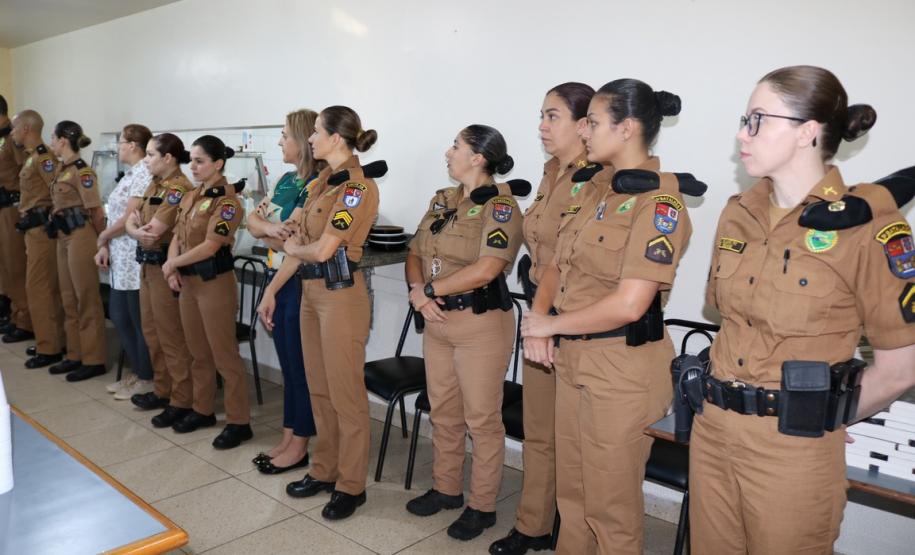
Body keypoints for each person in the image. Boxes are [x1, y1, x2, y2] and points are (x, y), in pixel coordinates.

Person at [691, 65, 915, 554]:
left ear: (807, 132)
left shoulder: (869, 227)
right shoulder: (738, 212)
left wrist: (828, 414)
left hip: (792, 448)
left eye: (757, 120)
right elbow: (724, 314)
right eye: (743, 119)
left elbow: (900, 369)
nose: (741, 134)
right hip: (714, 432)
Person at [521, 79, 689, 554]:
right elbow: (555, 265)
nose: (586, 132)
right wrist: (538, 320)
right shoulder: (593, 190)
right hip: (575, 359)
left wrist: (549, 325)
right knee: (573, 498)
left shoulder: (661, 204)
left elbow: (631, 303)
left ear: (628, 128)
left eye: (593, 123)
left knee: (610, 509)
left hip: (622, 370)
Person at [259, 105, 380, 520]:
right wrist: (273, 290)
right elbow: (295, 239)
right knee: (319, 389)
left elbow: (324, 248)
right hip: (309, 291)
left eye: (316, 132)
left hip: (340, 296)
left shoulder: (356, 190)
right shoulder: (320, 185)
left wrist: (290, 246)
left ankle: (351, 485)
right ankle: (324, 469)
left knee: (346, 395)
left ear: (337, 139)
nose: (310, 138)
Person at [404, 124, 524, 541]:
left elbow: (489, 267)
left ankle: (483, 506)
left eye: (456, 146)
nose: (448, 151)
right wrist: (419, 291)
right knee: (444, 412)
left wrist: (429, 292)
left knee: (482, 419)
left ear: (478, 157)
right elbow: (415, 252)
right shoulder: (443, 200)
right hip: (437, 321)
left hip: (480, 325)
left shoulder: (502, 206)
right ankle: (446, 488)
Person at [490, 82, 594, 555]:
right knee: (539, 430)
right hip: (540, 315)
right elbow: (538, 248)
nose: (542, 126)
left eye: (552, 116)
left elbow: (574, 260)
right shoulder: (552, 173)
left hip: (574, 324)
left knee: (575, 445)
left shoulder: (602, 179)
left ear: (584, 123)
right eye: (542, 115)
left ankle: (570, 531)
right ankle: (533, 523)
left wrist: (547, 315)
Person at [162, 135, 252, 449]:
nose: (194, 166)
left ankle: (239, 422)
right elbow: (176, 233)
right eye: (192, 160)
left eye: (200, 161)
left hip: (214, 285)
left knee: (224, 356)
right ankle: (203, 410)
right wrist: (173, 265)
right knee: (197, 352)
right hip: (188, 283)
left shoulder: (227, 203)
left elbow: (211, 245)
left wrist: (172, 263)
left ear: (218, 164)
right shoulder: (192, 195)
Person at [246, 109, 321, 474]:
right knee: (289, 368)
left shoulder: (317, 185)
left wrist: (270, 291)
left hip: (296, 283)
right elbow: (253, 221)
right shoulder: (286, 181)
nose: (279, 142)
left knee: (300, 369)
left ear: (305, 140)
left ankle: (301, 444)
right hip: (278, 278)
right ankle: (289, 435)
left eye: (284, 135)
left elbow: (296, 240)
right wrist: (268, 228)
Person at [125, 133, 195, 426]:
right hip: (147, 266)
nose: (147, 159)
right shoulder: (155, 184)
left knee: (170, 336)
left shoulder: (179, 188)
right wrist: (134, 230)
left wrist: (138, 230)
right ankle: (162, 389)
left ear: (168, 158)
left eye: (152, 155)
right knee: (152, 332)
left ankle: (181, 399)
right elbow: (132, 218)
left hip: (165, 268)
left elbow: (153, 229)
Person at [96, 124, 155, 400]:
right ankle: (139, 371)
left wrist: (103, 236)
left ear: (133, 145)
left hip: (133, 257)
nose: (118, 147)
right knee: (120, 316)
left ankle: (147, 377)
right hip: (120, 257)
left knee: (135, 318)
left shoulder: (143, 172)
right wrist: (106, 242)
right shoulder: (132, 173)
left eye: (121, 142)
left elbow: (130, 216)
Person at [47, 120, 108, 382]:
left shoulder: (82, 172)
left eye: (53, 137)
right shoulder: (62, 169)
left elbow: (95, 210)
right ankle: (74, 354)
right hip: (63, 235)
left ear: (62, 140)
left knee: (86, 298)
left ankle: (94, 359)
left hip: (82, 235)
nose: (51, 142)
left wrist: (100, 241)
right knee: (67, 296)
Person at [9, 109, 66, 368]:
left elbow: (59, 190)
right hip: (32, 230)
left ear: (26, 129)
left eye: (14, 128)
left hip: (42, 230)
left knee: (40, 288)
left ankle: (50, 347)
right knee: (40, 288)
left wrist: (49, 218)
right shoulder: (32, 157)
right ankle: (49, 339)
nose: (11, 133)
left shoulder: (44, 157)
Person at [0, 94, 33, 344]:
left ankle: (25, 319)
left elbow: (26, 172)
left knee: (15, 264)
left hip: (12, 207)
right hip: (2, 208)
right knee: (4, 267)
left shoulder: (13, 138)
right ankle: (13, 313)